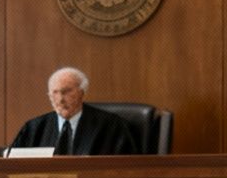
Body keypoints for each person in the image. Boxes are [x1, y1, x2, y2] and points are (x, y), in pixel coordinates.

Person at [9, 66, 139, 156]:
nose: (60, 99)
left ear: (82, 93)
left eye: (66, 92)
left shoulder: (111, 126)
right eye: (55, 93)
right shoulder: (34, 128)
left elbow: (126, 166)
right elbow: (13, 163)